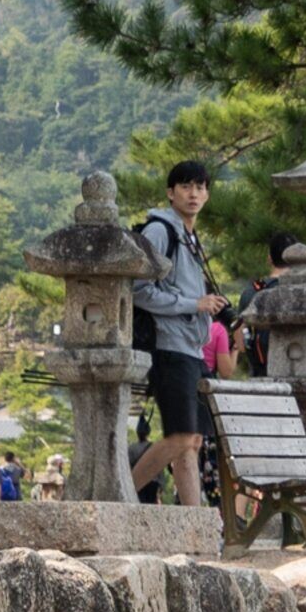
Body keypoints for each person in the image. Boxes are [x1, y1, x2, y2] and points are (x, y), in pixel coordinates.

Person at [126, 159, 221, 507]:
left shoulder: (190, 238)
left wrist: (208, 307)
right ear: (170, 193)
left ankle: (193, 524)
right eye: (185, 186)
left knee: (192, 441)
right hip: (168, 346)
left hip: (192, 349)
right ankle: (122, 496)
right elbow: (139, 290)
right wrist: (194, 304)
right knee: (181, 438)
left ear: (207, 194)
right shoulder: (159, 232)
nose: (193, 193)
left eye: (199, 187)